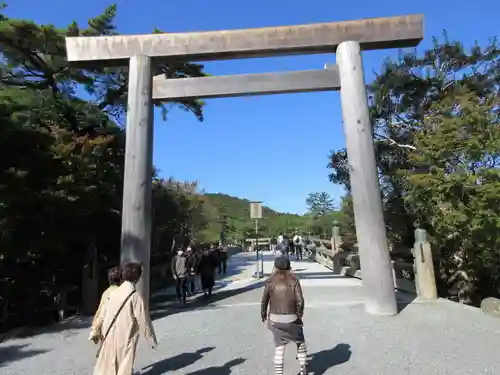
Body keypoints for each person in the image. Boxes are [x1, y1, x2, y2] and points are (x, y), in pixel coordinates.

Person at [93, 262, 157, 375]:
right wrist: (151, 339)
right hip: (126, 337)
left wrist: (96, 331)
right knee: (124, 366)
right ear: (137, 277)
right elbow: (143, 320)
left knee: (108, 367)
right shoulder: (134, 296)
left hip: (109, 335)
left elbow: (103, 313)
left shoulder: (113, 293)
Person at [261, 256, 308, 375]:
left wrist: (264, 316)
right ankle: (303, 370)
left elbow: (264, 301)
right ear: (289, 266)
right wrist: (299, 315)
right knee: (300, 342)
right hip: (292, 318)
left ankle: (279, 373)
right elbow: (300, 301)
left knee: (279, 347)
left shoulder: (270, 281)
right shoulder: (294, 279)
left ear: (275, 266)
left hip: (275, 319)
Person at [88, 266, 121, 344]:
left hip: (106, 328)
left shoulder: (106, 293)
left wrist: (95, 328)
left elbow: (100, 312)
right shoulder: (123, 292)